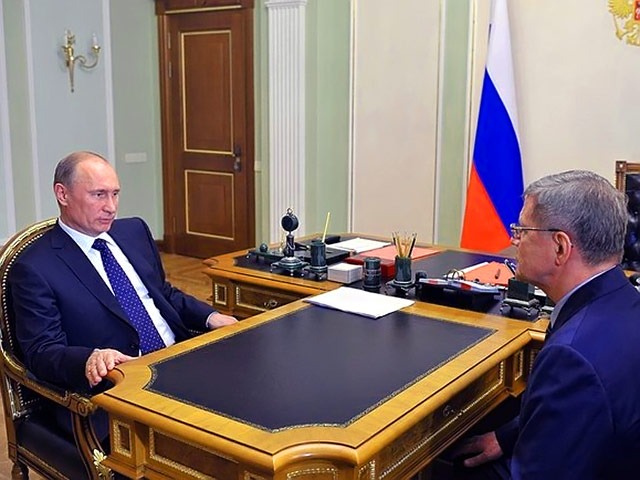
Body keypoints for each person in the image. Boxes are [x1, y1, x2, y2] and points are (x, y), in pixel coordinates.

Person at [9, 151, 237, 437]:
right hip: (118, 390)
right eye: (99, 195)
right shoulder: (34, 267)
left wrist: (211, 317)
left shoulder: (133, 231)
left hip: (178, 361)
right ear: (62, 194)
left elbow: (162, 293)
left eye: (115, 194)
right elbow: (41, 351)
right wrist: (89, 358)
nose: (111, 207)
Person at [453, 170, 640, 479]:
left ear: (560, 247)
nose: (513, 240)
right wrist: (507, 436)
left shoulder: (572, 358)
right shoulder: (625, 301)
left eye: (522, 230)